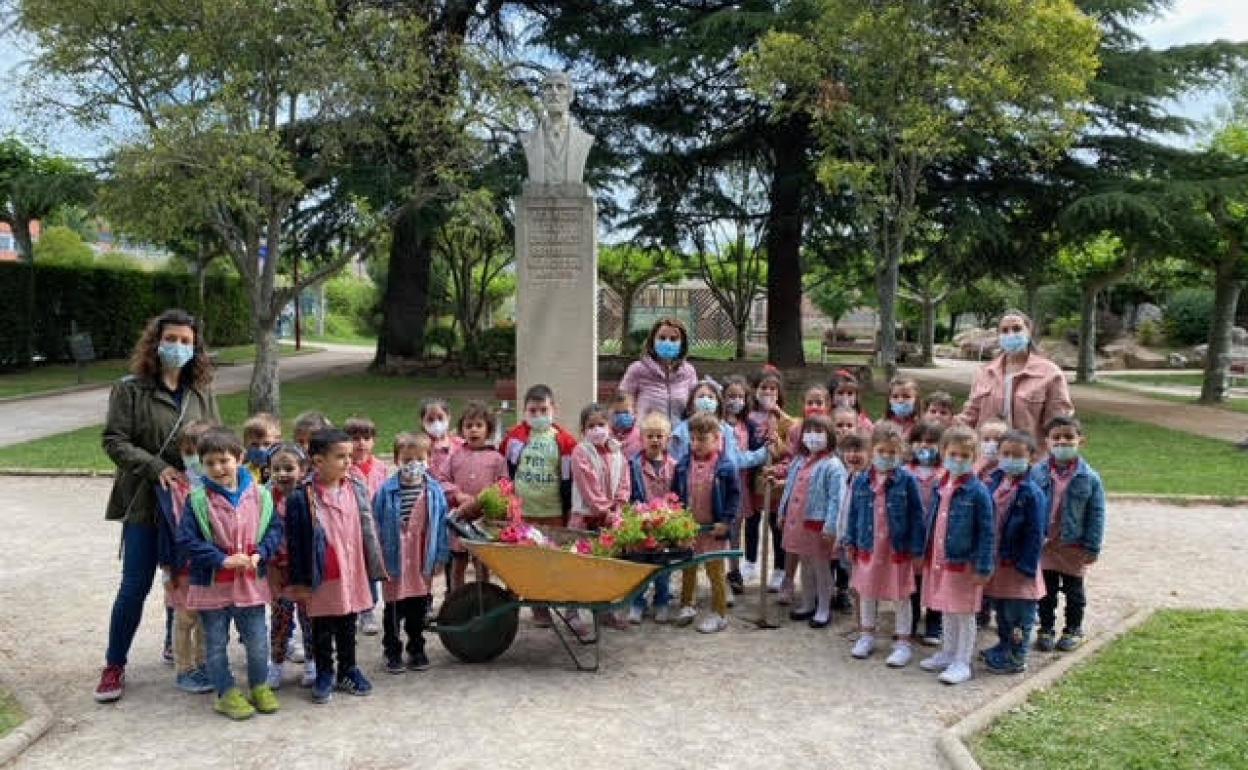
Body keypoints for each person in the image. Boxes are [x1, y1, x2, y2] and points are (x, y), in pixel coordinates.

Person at [96, 308, 220, 704]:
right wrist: (156, 468)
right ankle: (114, 664)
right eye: (171, 339)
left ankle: (174, 642)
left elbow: (216, 439)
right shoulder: (130, 389)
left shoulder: (201, 391)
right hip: (145, 501)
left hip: (190, 503)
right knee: (135, 584)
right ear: (156, 342)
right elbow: (114, 440)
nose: (178, 346)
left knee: (183, 576)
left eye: (186, 341)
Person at [177, 428, 283, 720]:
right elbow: (187, 541)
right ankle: (225, 692)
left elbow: (275, 530)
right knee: (215, 644)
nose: (217, 468)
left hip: (250, 585)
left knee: (257, 641)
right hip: (212, 587)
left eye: (224, 460)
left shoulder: (261, 495)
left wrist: (262, 552)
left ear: (239, 458)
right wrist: (221, 559)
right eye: (209, 463)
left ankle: (259, 685)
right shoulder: (197, 500)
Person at [285, 428, 388, 704]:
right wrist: (300, 581)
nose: (348, 462)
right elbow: (295, 543)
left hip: (351, 570)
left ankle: (348, 669)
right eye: (341, 457)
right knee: (322, 625)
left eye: (350, 456)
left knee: (347, 622)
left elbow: (367, 525)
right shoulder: (302, 497)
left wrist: (373, 561)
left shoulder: (355, 487)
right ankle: (324, 672)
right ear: (318, 461)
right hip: (323, 573)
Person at [843, 423, 926, 668]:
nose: (886, 456)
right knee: (867, 592)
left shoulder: (907, 480)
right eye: (881, 451)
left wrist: (917, 548)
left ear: (901, 452)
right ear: (872, 450)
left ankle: (903, 642)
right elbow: (853, 513)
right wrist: (850, 540)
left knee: (901, 595)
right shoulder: (861, 481)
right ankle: (867, 634)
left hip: (896, 549)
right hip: (868, 546)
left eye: (892, 452)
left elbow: (917, 516)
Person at [919, 426, 996, 685]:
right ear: (943, 453)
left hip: (964, 562)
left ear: (974, 457)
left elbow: (987, 532)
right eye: (953, 454)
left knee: (964, 612)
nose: (958, 460)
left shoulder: (978, 491)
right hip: (941, 559)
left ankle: (963, 661)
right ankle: (948, 652)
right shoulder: (942, 484)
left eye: (965, 456)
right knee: (946, 607)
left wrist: (983, 566)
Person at [374, 433, 450, 675]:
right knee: (394, 609)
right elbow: (375, 524)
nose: (413, 464)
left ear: (428, 460)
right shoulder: (386, 491)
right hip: (394, 559)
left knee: (418, 608)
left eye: (419, 459)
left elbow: (441, 526)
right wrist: (376, 558)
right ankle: (392, 650)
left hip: (420, 560)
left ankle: (416, 648)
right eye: (407, 460)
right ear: (396, 460)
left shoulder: (434, 491)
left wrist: (440, 556)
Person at [502, 384, 578, 626]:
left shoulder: (564, 441)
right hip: (523, 513)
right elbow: (507, 470)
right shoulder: (515, 438)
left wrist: (568, 510)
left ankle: (543, 605)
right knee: (520, 561)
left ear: (553, 409)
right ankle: (511, 607)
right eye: (533, 411)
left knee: (548, 562)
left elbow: (568, 478)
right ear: (525, 411)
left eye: (543, 410)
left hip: (552, 512)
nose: (538, 415)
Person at [1030, 416, 1106, 653]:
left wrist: (1092, 547)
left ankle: (1073, 629)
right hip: (1046, 545)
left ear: (1080, 441)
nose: (1062, 442)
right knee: (1046, 591)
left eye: (1068, 437)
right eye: (1056, 438)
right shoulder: (1036, 473)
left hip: (1074, 546)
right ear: (1047, 442)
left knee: (1074, 591)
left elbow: (1096, 514)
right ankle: (1046, 628)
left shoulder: (1089, 478)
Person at [155, 419, 217, 695]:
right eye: (188, 453)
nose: (194, 460)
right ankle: (184, 669)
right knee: (184, 618)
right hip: (182, 567)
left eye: (199, 453)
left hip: (209, 566)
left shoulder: (219, 487)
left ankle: (204, 664)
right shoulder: (173, 488)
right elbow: (165, 531)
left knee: (206, 618)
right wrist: (167, 569)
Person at [982, 430, 1047, 674]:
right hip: (999, 562)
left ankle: (1017, 656)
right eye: (1006, 454)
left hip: (1019, 566)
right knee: (1002, 610)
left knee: (1019, 614)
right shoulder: (994, 482)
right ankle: (1004, 645)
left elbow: (1035, 533)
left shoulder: (1031, 493)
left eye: (1017, 455)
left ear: (1030, 458)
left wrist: (1027, 566)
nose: (1010, 459)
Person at [957, 309, 1074, 438]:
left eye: (1017, 329)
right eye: (1005, 330)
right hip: (988, 449)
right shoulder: (985, 372)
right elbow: (970, 415)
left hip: (1031, 449)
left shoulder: (1050, 373)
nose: (1011, 334)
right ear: (999, 335)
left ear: (1029, 332)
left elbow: (1058, 422)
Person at [672, 413, 740, 634]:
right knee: (688, 567)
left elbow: (734, 497)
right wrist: (678, 521)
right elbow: (675, 496)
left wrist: (726, 521)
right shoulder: (683, 465)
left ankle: (719, 614)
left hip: (714, 530)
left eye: (702, 439)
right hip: (690, 528)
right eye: (693, 439)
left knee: (715, 571)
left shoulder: (726, 466)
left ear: (716, 438)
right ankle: (687, 605)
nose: (696, 444)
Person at [569, 403, 634, 633]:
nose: (597, 430)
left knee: (606, 567)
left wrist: (619, 507)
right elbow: (589, 487)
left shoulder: (617, 453)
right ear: (583, 430)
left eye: (601, 424)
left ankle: (604, 611)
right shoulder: (581, 452)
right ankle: (572, 613)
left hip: (609, 520)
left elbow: (624, 483)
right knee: (578, 568)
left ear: (609, 427)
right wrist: (605, 511)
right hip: (586, 519)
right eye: (591, 426)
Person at [777, 415, 845, 628]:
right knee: (805, 563)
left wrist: (831, 526)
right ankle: (807, 602)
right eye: (808, 431)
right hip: (798, 522)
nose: (812, 436)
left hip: (818, 524)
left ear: (829, 436)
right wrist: (782, 511)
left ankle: (823, 607)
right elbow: (789, 488)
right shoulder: (800, 461)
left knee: (821, 566)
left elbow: (837, 499)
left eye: (818, 432)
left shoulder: (833, 465)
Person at [265, 443, 315, 689]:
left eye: (289, 468)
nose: (282, 474)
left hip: (304, 569)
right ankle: (276, 664)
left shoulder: (309, 496)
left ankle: (313, 663)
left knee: (310, 618)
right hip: (279, 570)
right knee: (280, 620)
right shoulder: (265, 499)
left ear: (303, 470)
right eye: (276, 469)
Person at [445, 401, 508, 588]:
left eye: (479, 425)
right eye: (468, 426)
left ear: (488, 430)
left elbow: (503, 485)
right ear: (462, 430)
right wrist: (457, 495)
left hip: (484, 520)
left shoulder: (496, 458)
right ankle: (457, 597)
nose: (473, 430)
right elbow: (442, 480)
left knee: (482, 563)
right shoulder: (454, 456)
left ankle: (483, 598)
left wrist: (485, 500)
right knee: (458, 562)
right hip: (460, 519)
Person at [627, 412, 678, 624]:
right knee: (639, 564)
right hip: (641, 523)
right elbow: (630, 493)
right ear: (642, 438)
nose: (655, 440)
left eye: (659, 436)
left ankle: (662, 602)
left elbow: (678, 494)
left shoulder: (674, 465)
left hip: (664, 524)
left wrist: (671, 515)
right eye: (650, 436)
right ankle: (637, 603)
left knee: (662, 565)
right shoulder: (634, 465)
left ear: (667, 439)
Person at [748, 366, 795, 594]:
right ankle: (750, 562)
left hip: (775, 477)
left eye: (772, 389)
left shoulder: (784, 419)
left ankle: (779, 568)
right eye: (763, 388)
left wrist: (778, 441)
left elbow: (790, 448)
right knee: (752, 521)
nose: (768, 392)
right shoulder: (748, 417)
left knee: (776, 524)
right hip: (753, 476)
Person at [722, 375, 766, 593]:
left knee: (735, 530)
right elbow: (734, 459)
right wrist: (762, 453)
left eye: (740, 396)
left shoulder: (747, 425)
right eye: (731, 396)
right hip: (721, 486)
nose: (736, 400)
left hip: (741, 487)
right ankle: (717, 572)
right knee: (720, 530)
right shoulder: (719, 425)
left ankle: (734, 570)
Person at [345, 416, 387, 636]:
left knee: (371, 567)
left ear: (373, 441)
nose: (361, 443)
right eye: (355, 438)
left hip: (374, 528)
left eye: (366, 438)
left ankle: (368, 608)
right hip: (352, 528)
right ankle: (353, 608)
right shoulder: (345, 468)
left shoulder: (380, 468)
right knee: (353, 568)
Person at [907, 420, 945, 645]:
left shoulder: (945, 473)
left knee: (934, 580)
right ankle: (910, 621)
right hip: (911, 535)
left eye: (930, 442)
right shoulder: (905, 472)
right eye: (919, 441)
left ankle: (934, 623)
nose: (924, 446)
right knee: (912, 580)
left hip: (936, 537)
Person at [618, 317, 699, 424]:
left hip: (679, 433)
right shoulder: (637, 369)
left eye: (673, 339)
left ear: (682, 344)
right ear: (652, 340)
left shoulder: (689, 371)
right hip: (647, 432)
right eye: (662, 338)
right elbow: (624, 403)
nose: (667, 342)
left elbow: (695, 406)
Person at [420, 397, 463, 481]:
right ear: (422, 421)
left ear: (448, 417)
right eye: (430, 420)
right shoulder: (420, 445)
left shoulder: (460, 444)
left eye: (440, 418)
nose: (436, 423)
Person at [242, 412, 282, 483]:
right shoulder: (242, 471)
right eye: (254, 444)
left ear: (278, 442)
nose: (261, 449)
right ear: (245, 444)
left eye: (267, 444)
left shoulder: (283, 469)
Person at [607, 392, 642, 459]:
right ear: (608, 414)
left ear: (634, 412)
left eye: (626, 412)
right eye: (617, 413)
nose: (621, 416)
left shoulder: (641, 436)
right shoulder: (605, 436)